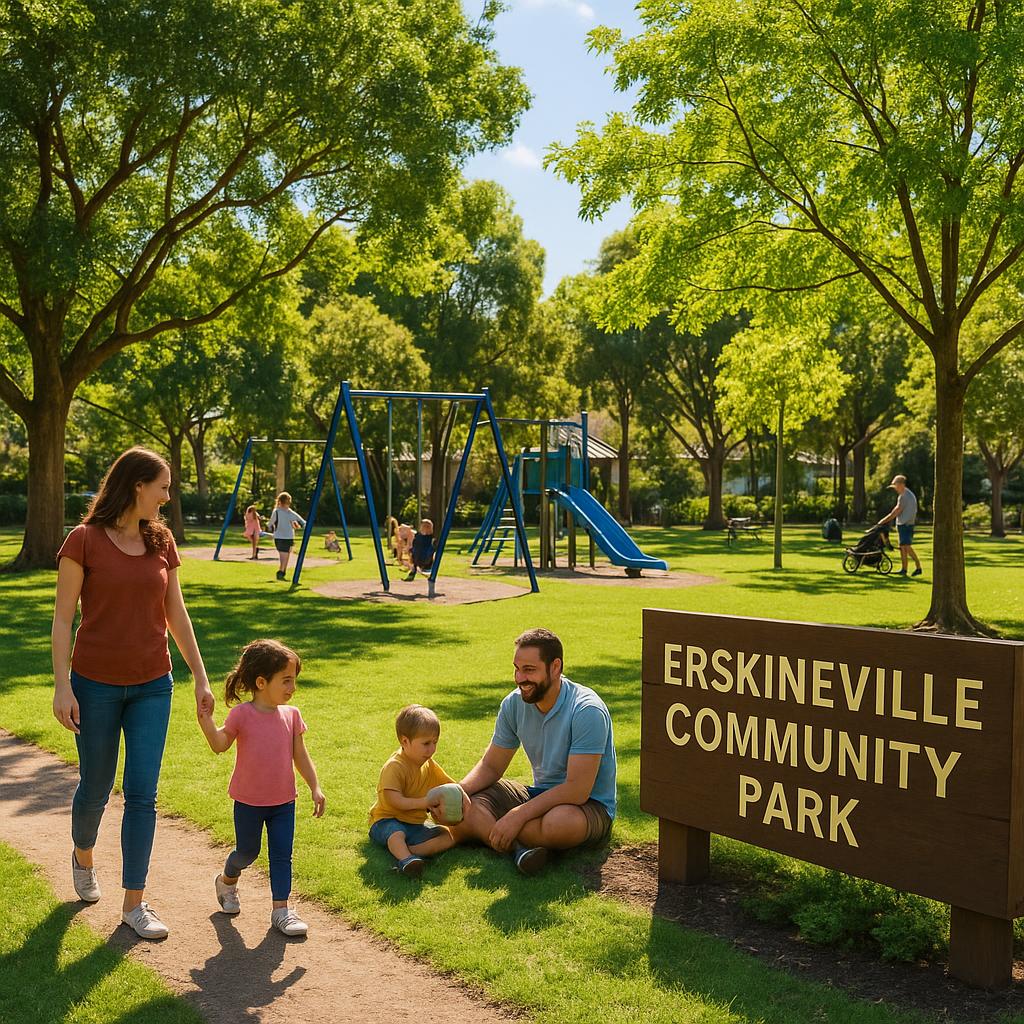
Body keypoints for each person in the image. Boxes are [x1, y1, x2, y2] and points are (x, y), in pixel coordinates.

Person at [51, 446, 215, 940]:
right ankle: (83, 854)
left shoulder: (161, 541)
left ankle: (135, 903)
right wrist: (63, 686)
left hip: (152, 685)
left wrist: (201, 677)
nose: (167, 497)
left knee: (143, 795)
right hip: (94, 684)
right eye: (162, 487)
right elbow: (63, 619)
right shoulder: (84, 540)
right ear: (137, 486)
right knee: (96, 787)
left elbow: (176, 615)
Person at [435, 628, 616, 876]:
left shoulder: (586, 710)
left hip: (588, 807)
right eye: (517, 669)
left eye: (529, 670)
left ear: (555, 667)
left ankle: (486, 830)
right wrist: (457, 795)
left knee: (557, 823)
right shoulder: (513, 704)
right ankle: (519, 849)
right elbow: (491, 766)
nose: (520, 678)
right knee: (472, 803)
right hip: (539, 796)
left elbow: (577, 789)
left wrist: (517, 816)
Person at [197, 638, 325, 937]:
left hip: (284, 802)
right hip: (249, 802)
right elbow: (219, 745)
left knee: (282, 855)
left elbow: (300, 755)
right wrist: (205, 721)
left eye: (294, 680)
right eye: (287, 681)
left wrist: (315, 787)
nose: (292, 687)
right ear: (261, 682)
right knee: (247, 852)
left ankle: (282, 910)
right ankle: (227, 880)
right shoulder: (242, 714)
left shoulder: (292, 716)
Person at [368, 705, 460, 878]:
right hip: (386, 821)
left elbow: (450, 784)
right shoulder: (395, 767)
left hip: (416, 825)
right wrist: (425, 802)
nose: (432, 749)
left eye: (435, 742)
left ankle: (408, 850)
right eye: (426, 743)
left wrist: (460, 796)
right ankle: (406, 860)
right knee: (396, 833)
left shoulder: (428, 764)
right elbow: (394, 800)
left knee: (447, 836)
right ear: (404, 741)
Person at [877, 474, 922, 577]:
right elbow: (897, 510)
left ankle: (918, 566)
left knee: (906, 547)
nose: (895, 488)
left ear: (901, 484)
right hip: (904, 524)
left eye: (896, 485)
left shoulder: (904, 496)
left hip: (906, 525)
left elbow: (896, 511)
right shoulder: (906, 495)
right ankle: (905, 569)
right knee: (904, 548)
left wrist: (883, 521)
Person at [267, 492, 306, 581]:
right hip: (282, 536)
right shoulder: (279, 512)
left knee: (285, 554)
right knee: (284, 554)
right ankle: (281, 571)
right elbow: (302, 521)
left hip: (285, 536)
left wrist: (268, 526)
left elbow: (270, 523)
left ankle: (282, 571)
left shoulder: (287, 512)